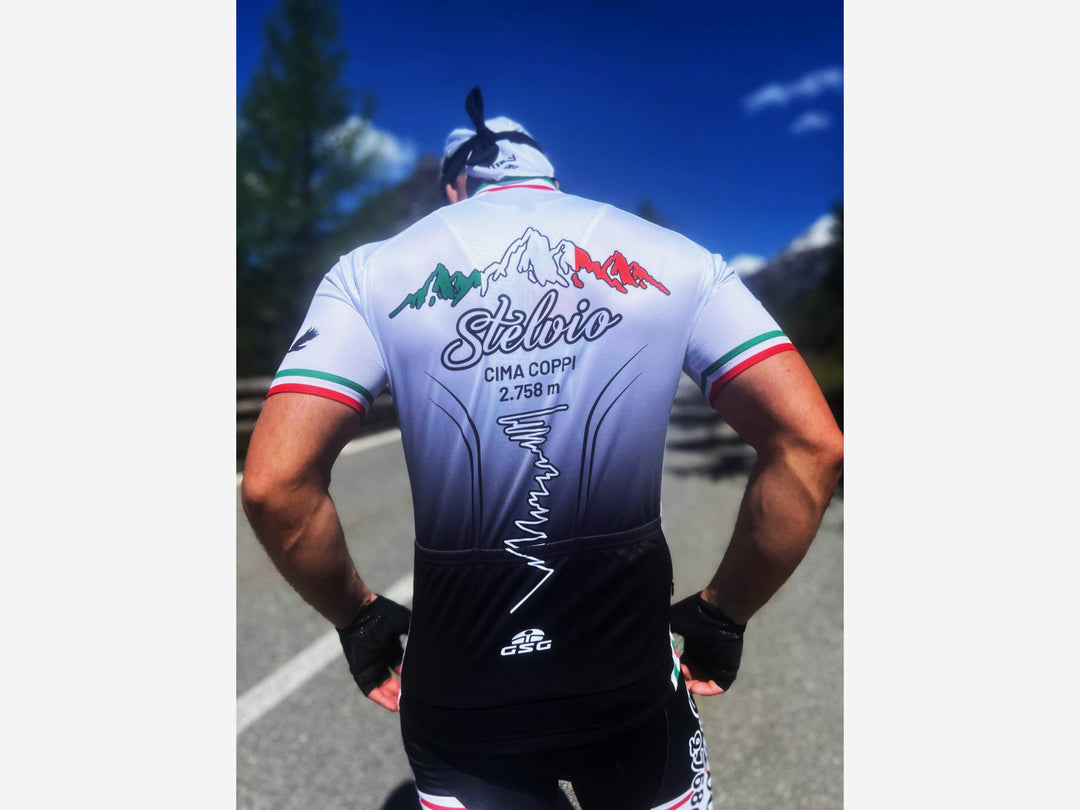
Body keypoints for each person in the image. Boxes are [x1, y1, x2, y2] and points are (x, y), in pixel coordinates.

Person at [241, 87, 844, 809]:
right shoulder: (679, 260)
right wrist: (724, 614)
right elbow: (810, 445)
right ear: (549, 178)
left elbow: (275, 485)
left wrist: (359, 617)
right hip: (630, 683)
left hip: (460, 697)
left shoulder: (367, 274)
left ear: (456, 186)